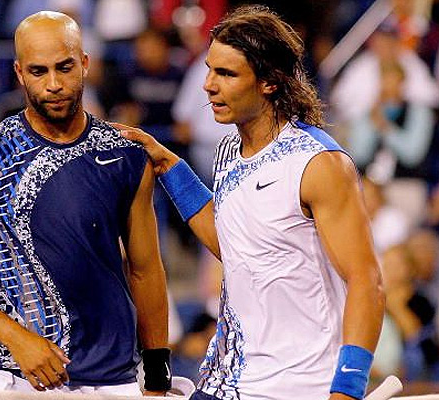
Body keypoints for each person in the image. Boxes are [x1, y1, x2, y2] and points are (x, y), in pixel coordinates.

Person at [117, 5, 384, 400]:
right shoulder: (228, 150)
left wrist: (347, 388)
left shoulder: (319, 164)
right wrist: (170, 166)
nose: (208, 85)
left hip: (295, 388)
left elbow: (367, 281)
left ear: (269, 82)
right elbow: (236, 245)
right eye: (209, 69)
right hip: (226, 381)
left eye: (226, 74)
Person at [0, 11, 170, 395]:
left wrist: (157, 375)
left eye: (64, 67)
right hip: (14, 378)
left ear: (85, 63)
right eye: (38, 72)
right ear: (19, 73)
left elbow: (145, 269)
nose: (53, 84)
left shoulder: (126, 155)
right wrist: (16, 338)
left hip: (114, 379)